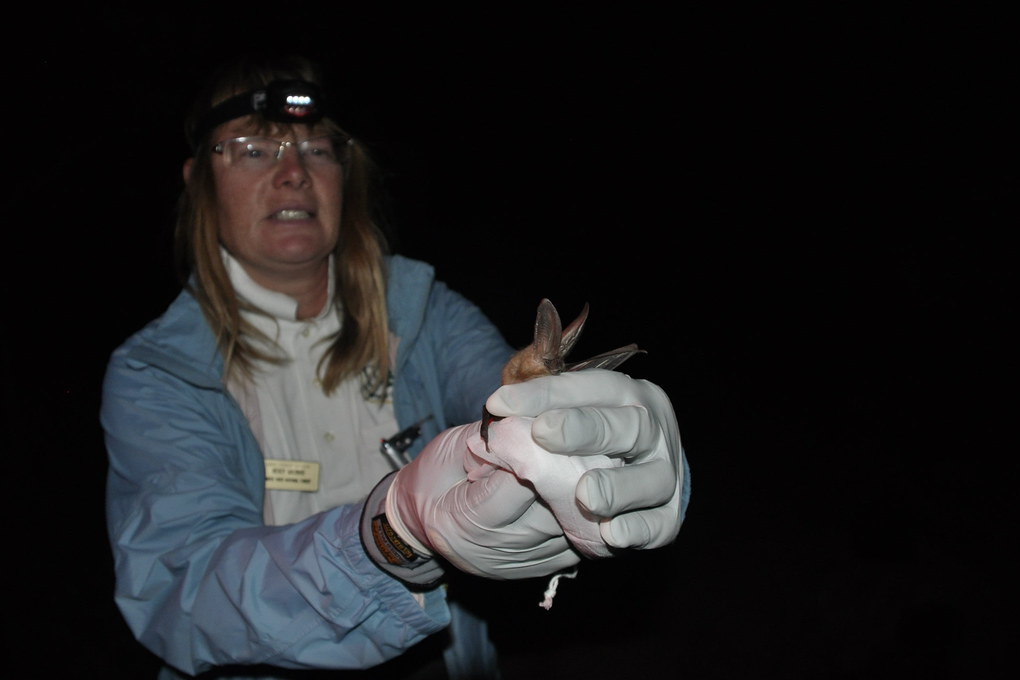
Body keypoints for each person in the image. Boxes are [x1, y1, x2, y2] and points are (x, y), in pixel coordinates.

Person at [101, 54, 691, 680]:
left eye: (319, 149)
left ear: (345, 173)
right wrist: (392, 535)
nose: (294, 173)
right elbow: (183, 595)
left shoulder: (426, 313)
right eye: (252, 150)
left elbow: (504, 391)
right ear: (198, 179)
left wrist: (606, 439)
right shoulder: (155, 372)